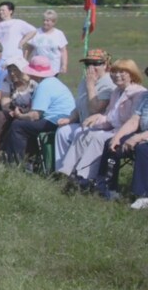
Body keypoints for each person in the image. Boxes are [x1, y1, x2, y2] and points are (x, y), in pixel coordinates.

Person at [58, 60, 144, 189]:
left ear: (132, 74)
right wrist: (96, 119)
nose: (117, 75)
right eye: (114, 72)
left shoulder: (137, 93)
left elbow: (133, 121)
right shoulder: (117, 92)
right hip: (114, 128)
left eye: (122, 72)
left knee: (98, 138)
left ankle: (86, 177)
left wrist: (106, 125)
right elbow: (110, 117)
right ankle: (67, 172)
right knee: (85, 133)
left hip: (127, 131)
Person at [3, 56, 76, 166]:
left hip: (55, 121)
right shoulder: (53, 82)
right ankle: (28, 159)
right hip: (64, 119)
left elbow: (35, 116)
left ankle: (14, 163)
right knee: (25, 125)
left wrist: (19, 116)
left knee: (18, 126)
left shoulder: (44, 86)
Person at [54, 49, 116, 169]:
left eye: (96, 63)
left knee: (79, 132)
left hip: (101, 127)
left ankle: (78, 173)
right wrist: (71, 118)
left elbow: (94, 110)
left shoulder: (108, 83)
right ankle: (61, 170)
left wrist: (90, 86)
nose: (91, 67)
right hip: (83, 123)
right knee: (63, 132)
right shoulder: (85, 80)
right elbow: (80, 105)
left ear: (105, 65)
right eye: (87, 63)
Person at [93, 81, 148, 207]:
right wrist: (117, 137)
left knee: (142, 149)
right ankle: (108, 187)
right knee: (111, 143)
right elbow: (134, 121)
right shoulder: (145, 96)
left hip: (144, 137)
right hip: (143, 133)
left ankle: (144, 195)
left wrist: (138, 137)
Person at [0, 57, 37, 164]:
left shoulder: (33, 82)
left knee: (19, 123)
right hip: (12, 109)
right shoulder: (7, 80)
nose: (12, 73)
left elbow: (36, 105)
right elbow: (4, 102)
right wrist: (12, 110)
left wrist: (22, 113)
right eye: (10, 70)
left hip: (30, 111)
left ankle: (17, 157)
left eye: (15, 70)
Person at [0, 1, 35, 67]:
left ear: (10, 11)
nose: (1, 12)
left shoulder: (18, 23)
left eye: (3, 10)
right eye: (0, 10)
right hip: (1, 58)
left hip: (15, 58)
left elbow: (33, 31)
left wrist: (23, 41)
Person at [20, 9, 68, 76]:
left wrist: (64, 65)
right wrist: (24, 62)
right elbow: (28, 49)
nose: (45, 22)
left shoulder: (59, 34)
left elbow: (63, 51)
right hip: (36, 68)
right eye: (44, 20)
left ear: (53, 22)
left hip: (53, 68)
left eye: (48, 21)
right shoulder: (35, 32)